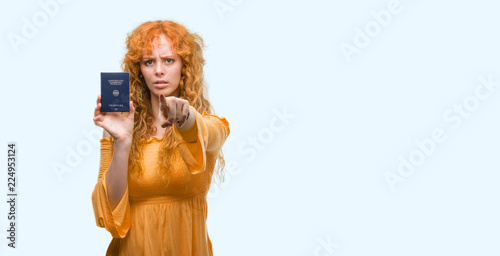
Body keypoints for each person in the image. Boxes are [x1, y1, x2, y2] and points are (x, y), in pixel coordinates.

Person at [91, 20, 230, 255]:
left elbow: (208, 133)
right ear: (139, 70)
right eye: (149, 62)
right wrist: (123, 142)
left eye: (168, 60)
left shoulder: (210, 126)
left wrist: (185, 118)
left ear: (184, 66)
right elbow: (112, 213)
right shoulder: (117, 127)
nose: (158, 70)